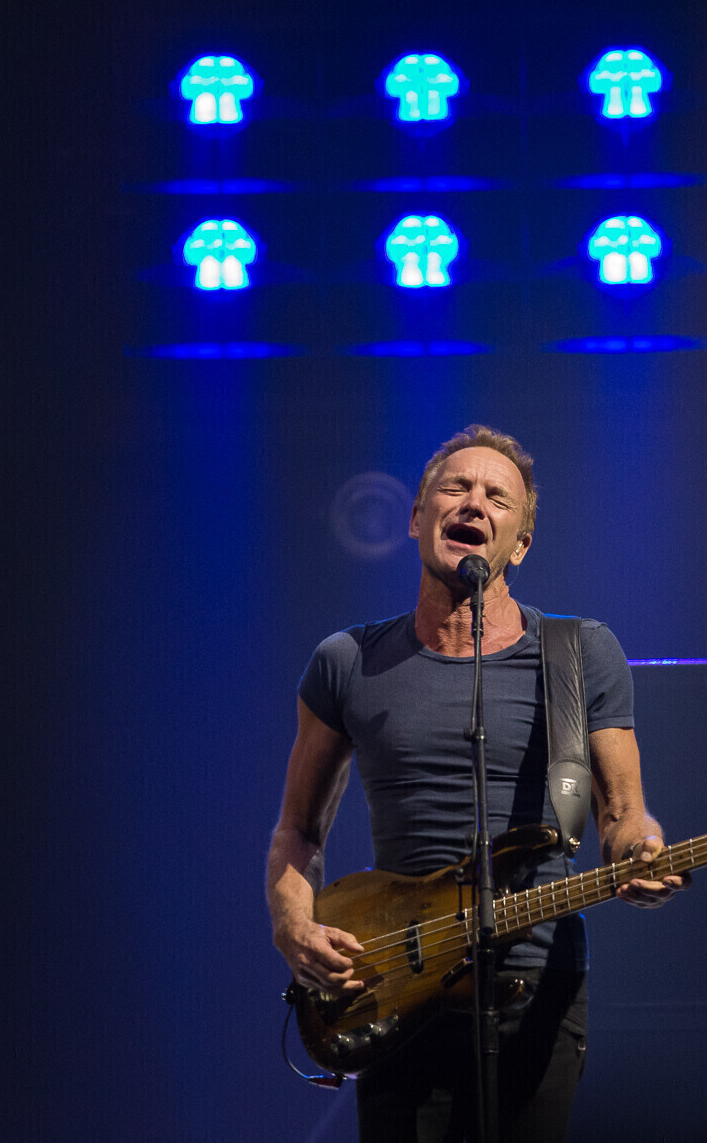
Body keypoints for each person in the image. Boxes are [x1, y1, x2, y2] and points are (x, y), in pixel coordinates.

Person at [267, 425, 685, 1143]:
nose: (473, 503)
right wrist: (292, 926)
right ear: (416, 517)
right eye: (455, 487)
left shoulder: (579, 653)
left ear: (519, 544)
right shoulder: (346, 660)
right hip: (392, 983)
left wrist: (639, 852)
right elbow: (298, 828)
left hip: (537, 982)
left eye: (498, 498)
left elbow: (624, 813)